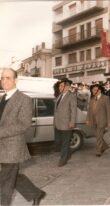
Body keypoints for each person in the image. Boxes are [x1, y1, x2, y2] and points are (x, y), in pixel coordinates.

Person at [0, 68, 46, 206]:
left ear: (15, 80)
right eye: (2, 78)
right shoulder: (3, 98)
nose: (4, 81)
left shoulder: (24, 99)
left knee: (6, 180)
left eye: (8, 78)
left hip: (13, 146)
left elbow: (24, 124)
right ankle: (36, 194)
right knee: (13, 177)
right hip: (2, 146)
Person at [54, 78, 77, 167]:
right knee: (58, 141)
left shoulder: (71, 96)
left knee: (65, 143)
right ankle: (68, 153)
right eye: (59, 86)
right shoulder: (59, 96)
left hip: (66, 123)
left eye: (62, 86)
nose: (60, 87)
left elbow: (73, 110)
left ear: (67, 87)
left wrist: (72, 122)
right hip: (58, 123)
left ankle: (63, 160)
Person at [86, 84, 110, 156]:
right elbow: (89, 110)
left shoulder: (106, 98)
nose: (93, 91)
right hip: (93, 120)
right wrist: (88, 119)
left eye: (94, 90)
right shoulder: (92, 99)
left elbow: (109, 110)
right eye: (92, 90)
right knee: (98, 135)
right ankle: (104, 146)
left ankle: (99, 151)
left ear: (99, 90)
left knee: (99, 135)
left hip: (102, 120)